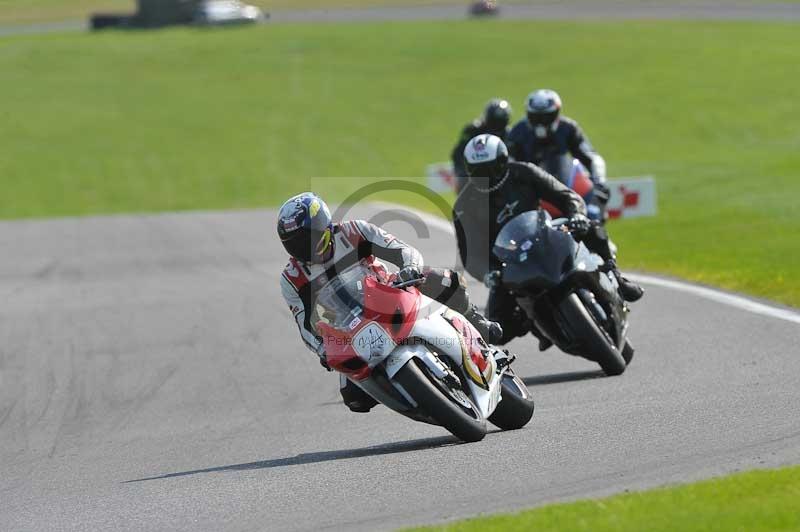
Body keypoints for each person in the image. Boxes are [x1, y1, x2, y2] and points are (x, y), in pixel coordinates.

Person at [278, 192, 502, 412]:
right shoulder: (292, 278)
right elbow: (305, 326)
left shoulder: (353, 231)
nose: (303, 248)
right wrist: (322, 349)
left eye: (308, 239)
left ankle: (478, 324)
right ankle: (416, 397)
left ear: (324, 227)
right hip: (349, 328)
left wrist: (409, 268)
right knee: (355, 399)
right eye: (294, 244)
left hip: (389, 292)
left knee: (445, 281)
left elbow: (402, 250)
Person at [452, 134, 643, 347]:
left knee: (591, 228)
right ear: (469, 170)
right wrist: (489, 273)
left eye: (491, 167)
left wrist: (577, 214)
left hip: (546, 235)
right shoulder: (464, 206)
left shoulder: (523, 172)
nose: (486, 175)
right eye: (479, 171)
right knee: (495, 329)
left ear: (503, 161)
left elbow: (565, 195)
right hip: (508, 263)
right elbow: (469, 254)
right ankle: (536, 324)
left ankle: (616, 277)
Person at [507, 89, 611, 215]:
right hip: (531, 192)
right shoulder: (518, 132)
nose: (541, 122)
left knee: (594, 215)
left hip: (565, 188)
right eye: (536, 117)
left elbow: (591, 156)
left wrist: (599, 182)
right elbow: (509, 162)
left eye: (546, 117)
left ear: (556, 113)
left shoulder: (568, 128)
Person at [451, 98, 512, 192]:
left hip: (498, 175)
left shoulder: (509, 135)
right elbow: (458, 154)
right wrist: (464, 173)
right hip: (472, 173)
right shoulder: (473, 130)